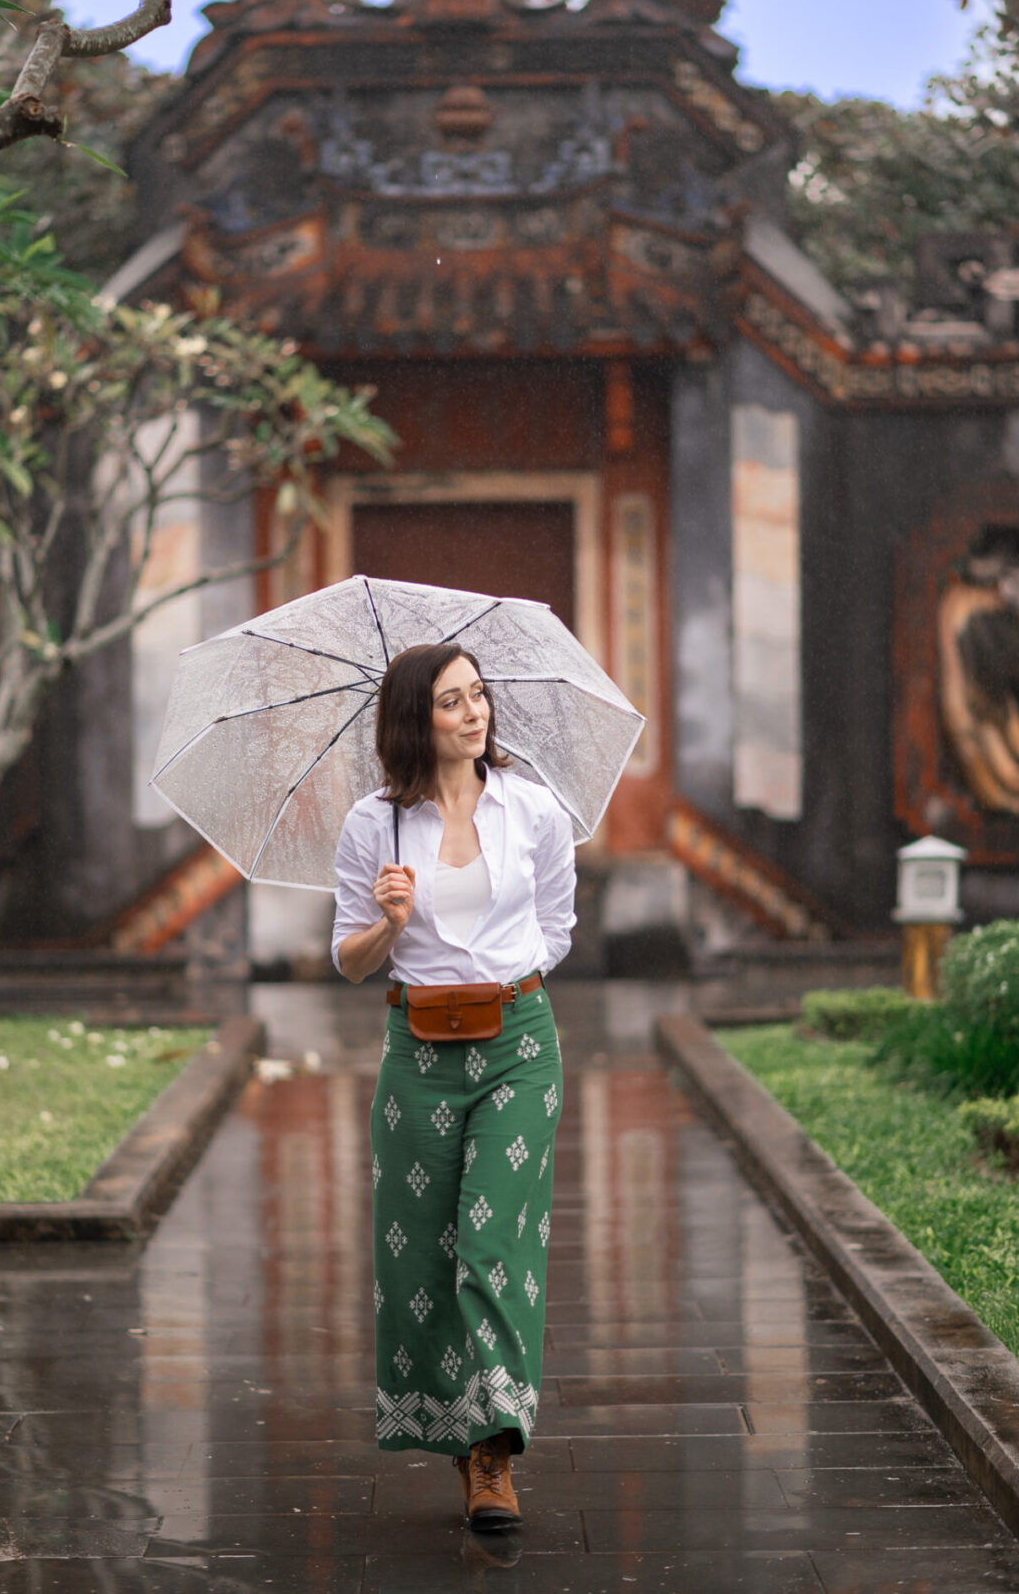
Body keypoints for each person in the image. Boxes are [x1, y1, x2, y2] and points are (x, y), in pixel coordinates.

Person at [331, 640, 576, 1532]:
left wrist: (501, 980)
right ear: (414, 720)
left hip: (518, 1046)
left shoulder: (536, 811)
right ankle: (452, 1425)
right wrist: (392, 923)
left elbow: (557, 923)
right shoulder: (375, 825)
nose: (473, 713)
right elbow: (348, 959)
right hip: (417, 1053)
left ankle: (494, 1451)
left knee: (490, 1245)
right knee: (420, 1260)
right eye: (450, 701)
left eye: (478, 696)